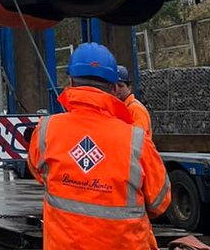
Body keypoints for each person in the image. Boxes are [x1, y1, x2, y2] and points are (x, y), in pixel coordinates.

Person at [26, 41, 170, 249]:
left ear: (70, 82)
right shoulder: (136, 140)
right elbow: (159, 202)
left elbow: (39, 172)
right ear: (113, 87)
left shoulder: (47, 129)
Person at [116, 64, 153, 137]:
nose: (116, 89)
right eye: (113, 86)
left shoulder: (135, 110)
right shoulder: (118, 108)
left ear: (129, 88)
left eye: (120, 86)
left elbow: (139, 141)